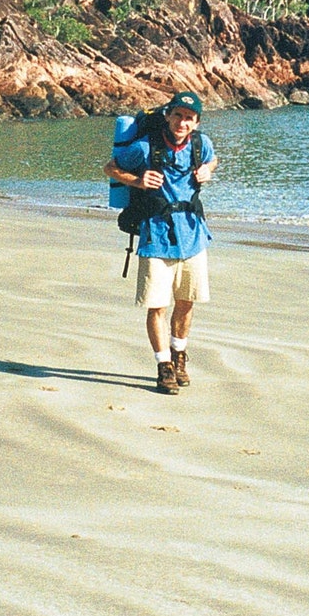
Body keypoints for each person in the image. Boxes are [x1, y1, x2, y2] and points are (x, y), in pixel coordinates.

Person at [104, 91, 216, 394]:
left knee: (186, 302)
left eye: (188, 118)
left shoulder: (200, 144)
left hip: (193, 235)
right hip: (156, 236)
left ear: (196, 122)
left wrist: (209, 169)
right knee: (157, 306)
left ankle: (179, 356)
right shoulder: (144, 148)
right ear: (167, 116)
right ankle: (163, 365)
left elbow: (213, 160)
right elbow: (110, 168)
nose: (182, 122)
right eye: (177, 115)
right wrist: (137, 181)